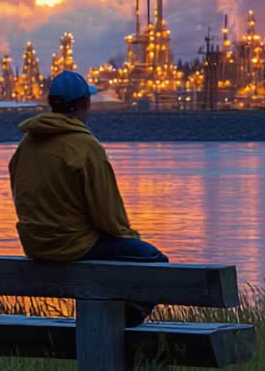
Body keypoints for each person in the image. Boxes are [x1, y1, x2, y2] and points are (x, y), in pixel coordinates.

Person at [9, 71, 167, 322]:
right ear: (85, 104)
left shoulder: (26, 144)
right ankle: (120, 327)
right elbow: (108, 215)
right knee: (156, 262)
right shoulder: (85, 147)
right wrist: (129, 237)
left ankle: (107, 324)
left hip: (36, 244)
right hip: (73, 246)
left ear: (52, 104)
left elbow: (20, 194)